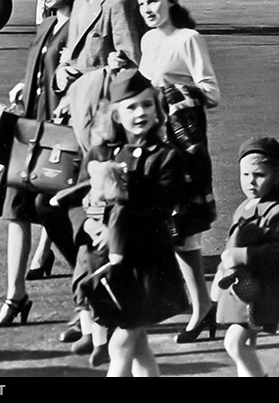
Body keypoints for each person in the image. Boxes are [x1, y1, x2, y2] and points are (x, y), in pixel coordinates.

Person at [71, 69, 189, 377]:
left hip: (145, 263)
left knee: (121, 343)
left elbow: (161, 209)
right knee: (138, 346)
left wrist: (120, 199)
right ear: (116, 115)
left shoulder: (166, 157)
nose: (141, 113)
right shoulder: (100, 152)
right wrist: (90, 225)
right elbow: (81, 199)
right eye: (132, 107)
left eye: (148, 105)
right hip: (108, 263)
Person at [0, 0, 80, 330]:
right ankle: (15, 294)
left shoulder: (77, 29)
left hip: (56, 134)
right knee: (16, 210)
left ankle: (86, 292)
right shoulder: (46, 26)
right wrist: (24, 85)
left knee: (58, 211)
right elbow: (41, 70)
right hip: (29, 130)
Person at [135, 0, 221, 344]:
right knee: (165, 233)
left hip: (184, 149)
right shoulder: (149, 40)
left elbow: (211, 92)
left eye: (153, 1)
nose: (148, 10)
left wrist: (172, 90)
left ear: (171, 0)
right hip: (156, 151)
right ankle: (195, 307)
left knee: (185, 235)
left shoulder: (188, 39)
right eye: (141, 5)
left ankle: (200, 309)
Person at [54, 0, 145, 153]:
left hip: (104, 125)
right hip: (74, 115)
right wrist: (61, 74)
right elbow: (70, 56)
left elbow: (131, 71)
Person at [213, 137, 279, 378]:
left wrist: (243, 255)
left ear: (276, 176)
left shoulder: (277, 212)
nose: (251, 181)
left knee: (234, 344)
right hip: (237, 291)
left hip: (258, 292)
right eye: (245, 175)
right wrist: (219, 276)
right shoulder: (244, 207)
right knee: (246, 346)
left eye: (259, 175)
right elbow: (230, 245)